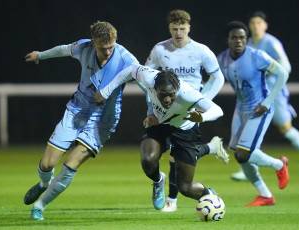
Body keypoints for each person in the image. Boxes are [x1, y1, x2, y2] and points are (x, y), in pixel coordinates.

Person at [23, 21, 138, 221]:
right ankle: (43, 184)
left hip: (103, 120)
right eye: (104, 48)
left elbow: (143, 76)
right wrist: (40, 55)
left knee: (70, 163)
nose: (109, 51)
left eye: (111, 46)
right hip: (77, 110)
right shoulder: (84, 47)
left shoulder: (126, 58)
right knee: (48, 163)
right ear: (93, 42)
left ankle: (39, 206)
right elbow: (64, 50)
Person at [94, 64, 225, 209]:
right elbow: (130, 70)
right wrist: (106, 91)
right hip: (160, 125)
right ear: (154, 88)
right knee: (148, 160)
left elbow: (218, 110)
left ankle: (210, 195)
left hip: (184, 131)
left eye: (171, 94)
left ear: (177, 90)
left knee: (185, 188)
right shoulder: (148, 77)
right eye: (163, 94)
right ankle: (158, 181)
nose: (168, 99)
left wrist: (202, 117)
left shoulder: (188, 93)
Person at [145, 9, 228, 212]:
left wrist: (203, 100)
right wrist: (150, 110)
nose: (179, 33)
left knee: (176, 155)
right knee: (158, 155)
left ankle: (172, 201)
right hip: (163, 108)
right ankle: (210, 148)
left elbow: (218, 78)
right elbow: (147, 82)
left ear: (189, 27)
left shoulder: (201, 51)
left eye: (182, 28)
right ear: (169, 28)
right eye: (175, 28)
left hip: (188, 111)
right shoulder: (159, 50)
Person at [231, 11, 299, 181]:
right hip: (254, 96)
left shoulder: (271, 42)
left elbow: (286, 66)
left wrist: (269, 77)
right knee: (250, 129)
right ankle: (248, 166)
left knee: (285, 128)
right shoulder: (247, 44)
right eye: (253, 23)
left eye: (259, 23)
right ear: (249, 26)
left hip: (274, 94)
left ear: (265, 25)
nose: (256, 26)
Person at [217, 21, 289, 206]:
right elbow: (214, 80)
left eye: (242, 37)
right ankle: (265, 195)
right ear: (228, 40)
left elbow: (282, 73)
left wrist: (267, 102)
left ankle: (280, 165)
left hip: (259, 109)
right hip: (240, 109)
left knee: (244, 154)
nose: (238, 41)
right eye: (234, 37)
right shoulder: (222, 59)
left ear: (247, 40)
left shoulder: (257, 56)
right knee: (239, 155)